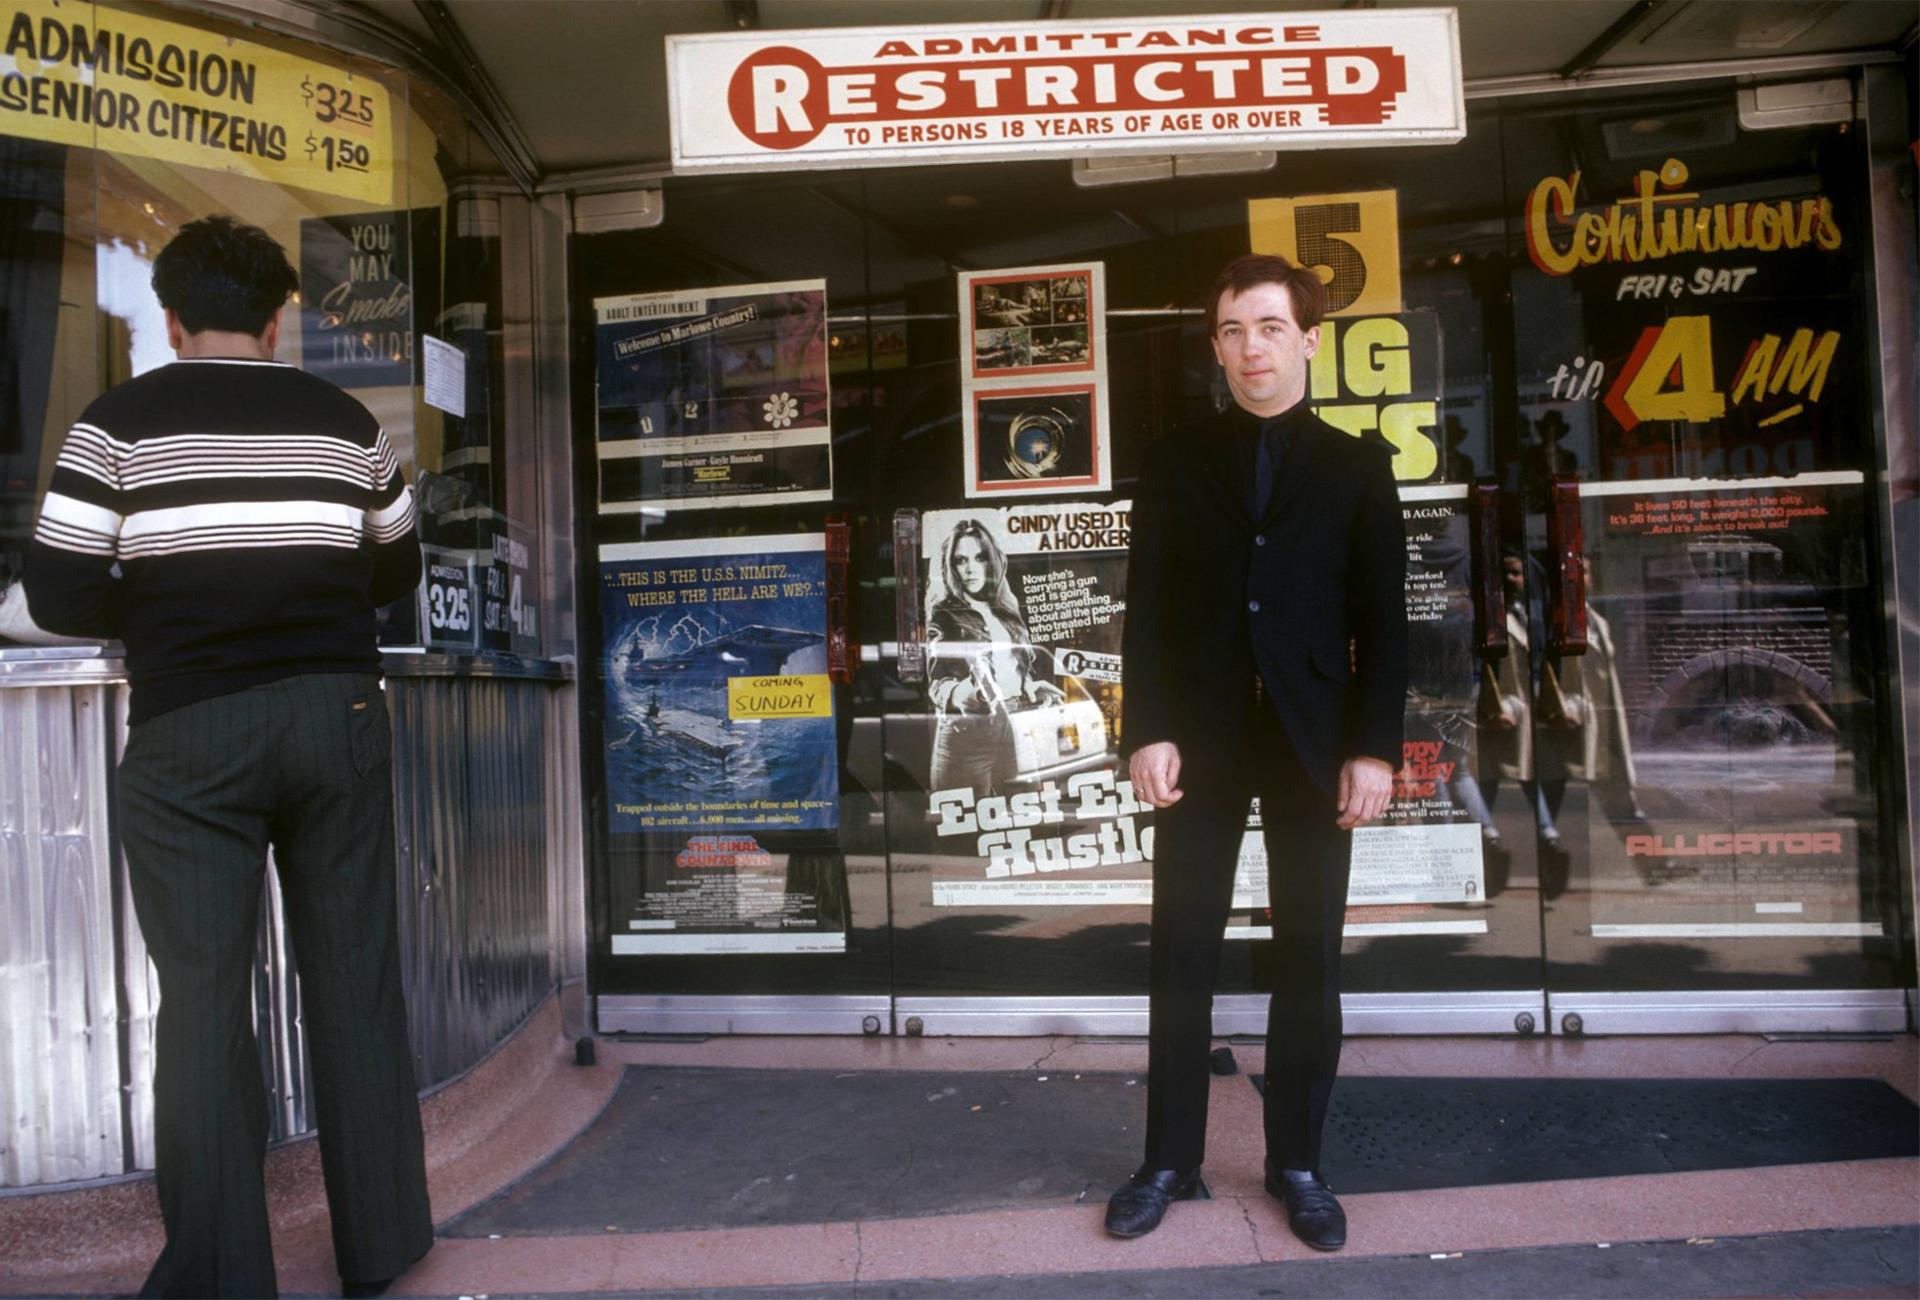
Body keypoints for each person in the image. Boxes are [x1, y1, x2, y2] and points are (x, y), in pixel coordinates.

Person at [22, 216, 432, 1299]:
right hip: (334, 714)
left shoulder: (116, 426)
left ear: (167, 316)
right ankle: (383, 1245)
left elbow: (61, 596)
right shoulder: (346, 422)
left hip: (190, 728)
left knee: (203, 1003)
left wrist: (163, 596)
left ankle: (218, 1273)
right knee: (355, 982)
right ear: (278, 314)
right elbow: (395, 571)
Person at [1106, 253, 1408, 1251]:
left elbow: (1386, 622)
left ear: (1310, 339)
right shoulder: (1178, 458)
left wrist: (1373, 748)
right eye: (1233, 330)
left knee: (1309, 957)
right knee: (1180, 957)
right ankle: (1166, 1161)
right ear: (1217, 348)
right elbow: (1142, 609)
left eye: (1271, 327)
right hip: (1198, 742)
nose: (1252, 348)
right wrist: (1144, 726)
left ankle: (1299, 1165)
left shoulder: (1358, 464)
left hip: (1313, 745)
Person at [925, 517, 1061, 793]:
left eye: (979, 558)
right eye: (961, 560)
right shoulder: (945, 613)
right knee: (965, 828)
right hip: (967, 733)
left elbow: (1014, 667)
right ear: (951, 566)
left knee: (1026, 822)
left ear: (992, 561)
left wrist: (1030, 687)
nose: (971, 569)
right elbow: (939, 680)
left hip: (1014, 725)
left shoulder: (1006, 610)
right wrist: (965, 693)